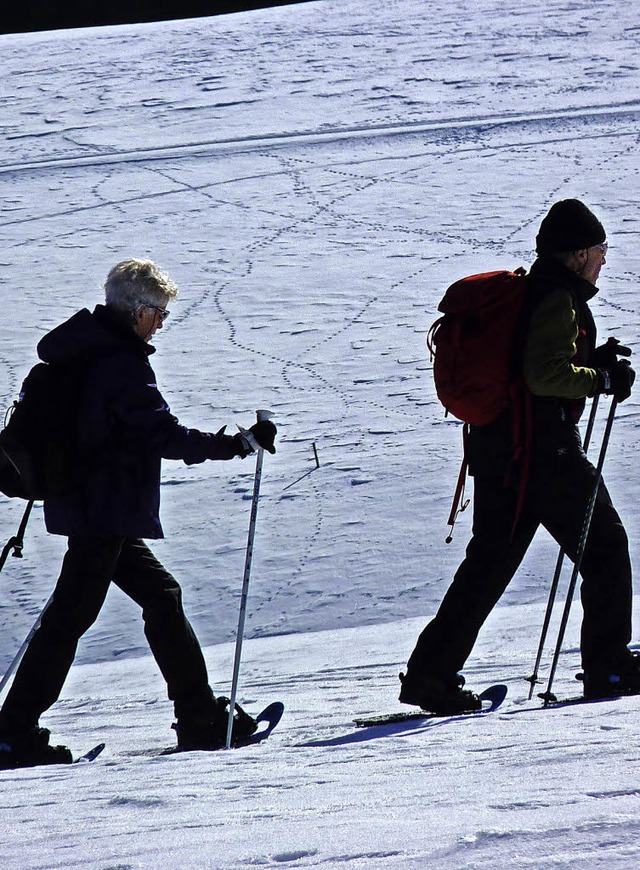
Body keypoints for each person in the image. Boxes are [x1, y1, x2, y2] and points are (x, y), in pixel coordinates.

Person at [0, 259, 277, 768]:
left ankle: (200, 717)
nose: (162, 323)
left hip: (91, 506)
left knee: (160, 596)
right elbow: (161, 433)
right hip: (103, 509)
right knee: (69, 619)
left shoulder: (83, 350)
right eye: (159, 312)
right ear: (137, 310)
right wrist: (236, 445)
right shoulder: (119, 363)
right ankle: (12, 733)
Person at [400, 199, 637, 714]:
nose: (603, 261)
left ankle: (430, 676)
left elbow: (528, 366)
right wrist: (600, 379)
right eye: (599, 251)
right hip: (542, 452)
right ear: (577, 254)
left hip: (498, 451)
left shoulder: (532, 291)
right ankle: (609, 665)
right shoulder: (557, 298)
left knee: (488, 563)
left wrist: (588, 360)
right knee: (606, 550)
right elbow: (541, 375)